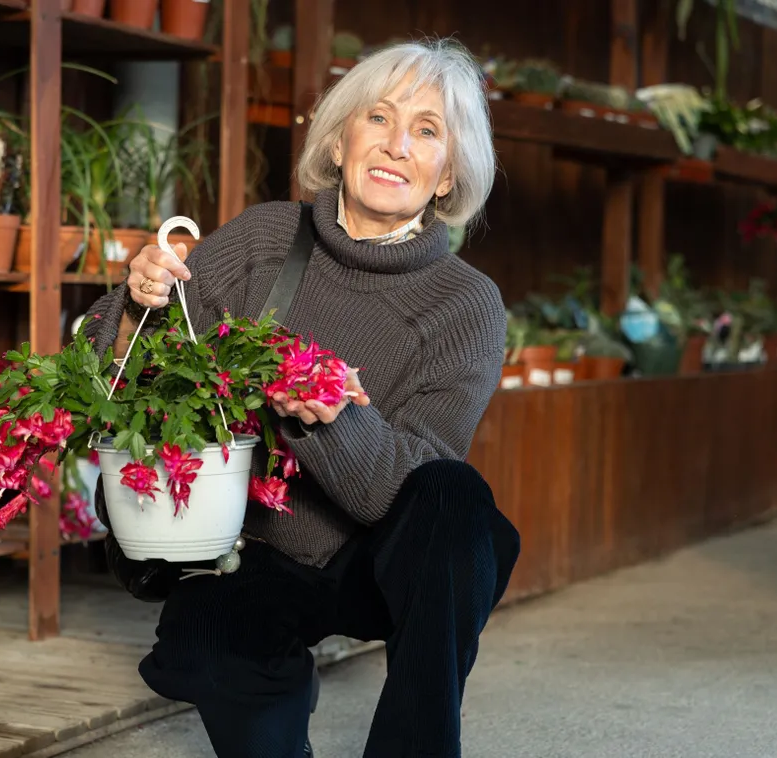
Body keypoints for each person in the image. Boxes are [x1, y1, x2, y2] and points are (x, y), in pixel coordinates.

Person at [80, 37, 521, 758]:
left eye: (426, 130)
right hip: (249, 549)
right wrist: (135, 303)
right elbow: (110, 368)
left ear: (446, 176)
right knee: (208, 649)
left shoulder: (466, 304)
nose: (395, 145)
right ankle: (274, 705)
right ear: (341, 136)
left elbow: (407, 492)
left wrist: (337, 421)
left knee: (453, 499)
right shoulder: (265, 238)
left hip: (371, 560)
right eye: (377, 118)